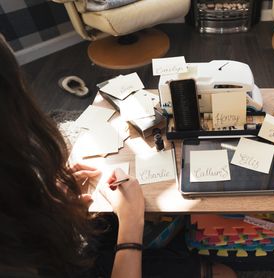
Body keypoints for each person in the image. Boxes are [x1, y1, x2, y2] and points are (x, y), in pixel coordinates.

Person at [0, 35, 236, 278]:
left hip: (59, 243)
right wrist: (131, 222)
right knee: (224, 274)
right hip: (81, 261)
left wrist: (46, 198)